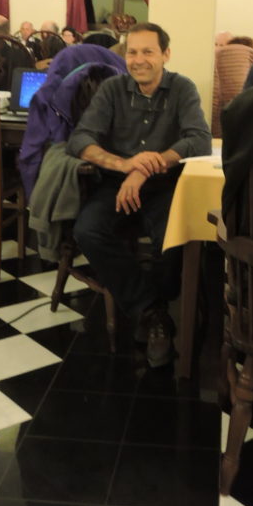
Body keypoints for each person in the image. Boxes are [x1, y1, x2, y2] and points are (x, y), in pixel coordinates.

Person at [67, 22, 211, 367]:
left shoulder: (182, 88)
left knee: (172, 240)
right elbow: (80, 139)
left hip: (165, 185)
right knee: (87, 231)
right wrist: (125, 165)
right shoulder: (112, 89)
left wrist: (146, 167)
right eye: (132, 52)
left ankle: (160, 304)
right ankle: (151, 310)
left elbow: (199, 139)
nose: (138, 59)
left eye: (148, 51)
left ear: (166, 54)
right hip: (116, 184)